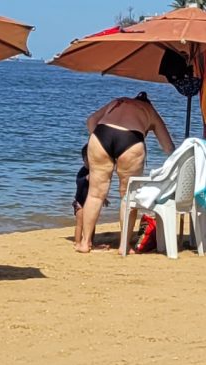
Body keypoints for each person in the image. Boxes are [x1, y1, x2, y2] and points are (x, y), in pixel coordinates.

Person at [73, 92, 177, 252]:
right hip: (131, 139)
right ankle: (124, 246)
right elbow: (168, 147)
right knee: (128, 195)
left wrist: (99, 141)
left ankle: (85, 243)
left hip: (101, 134)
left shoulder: (118, 102)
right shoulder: (150, 111)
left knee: (95, 194)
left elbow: (91, 120)